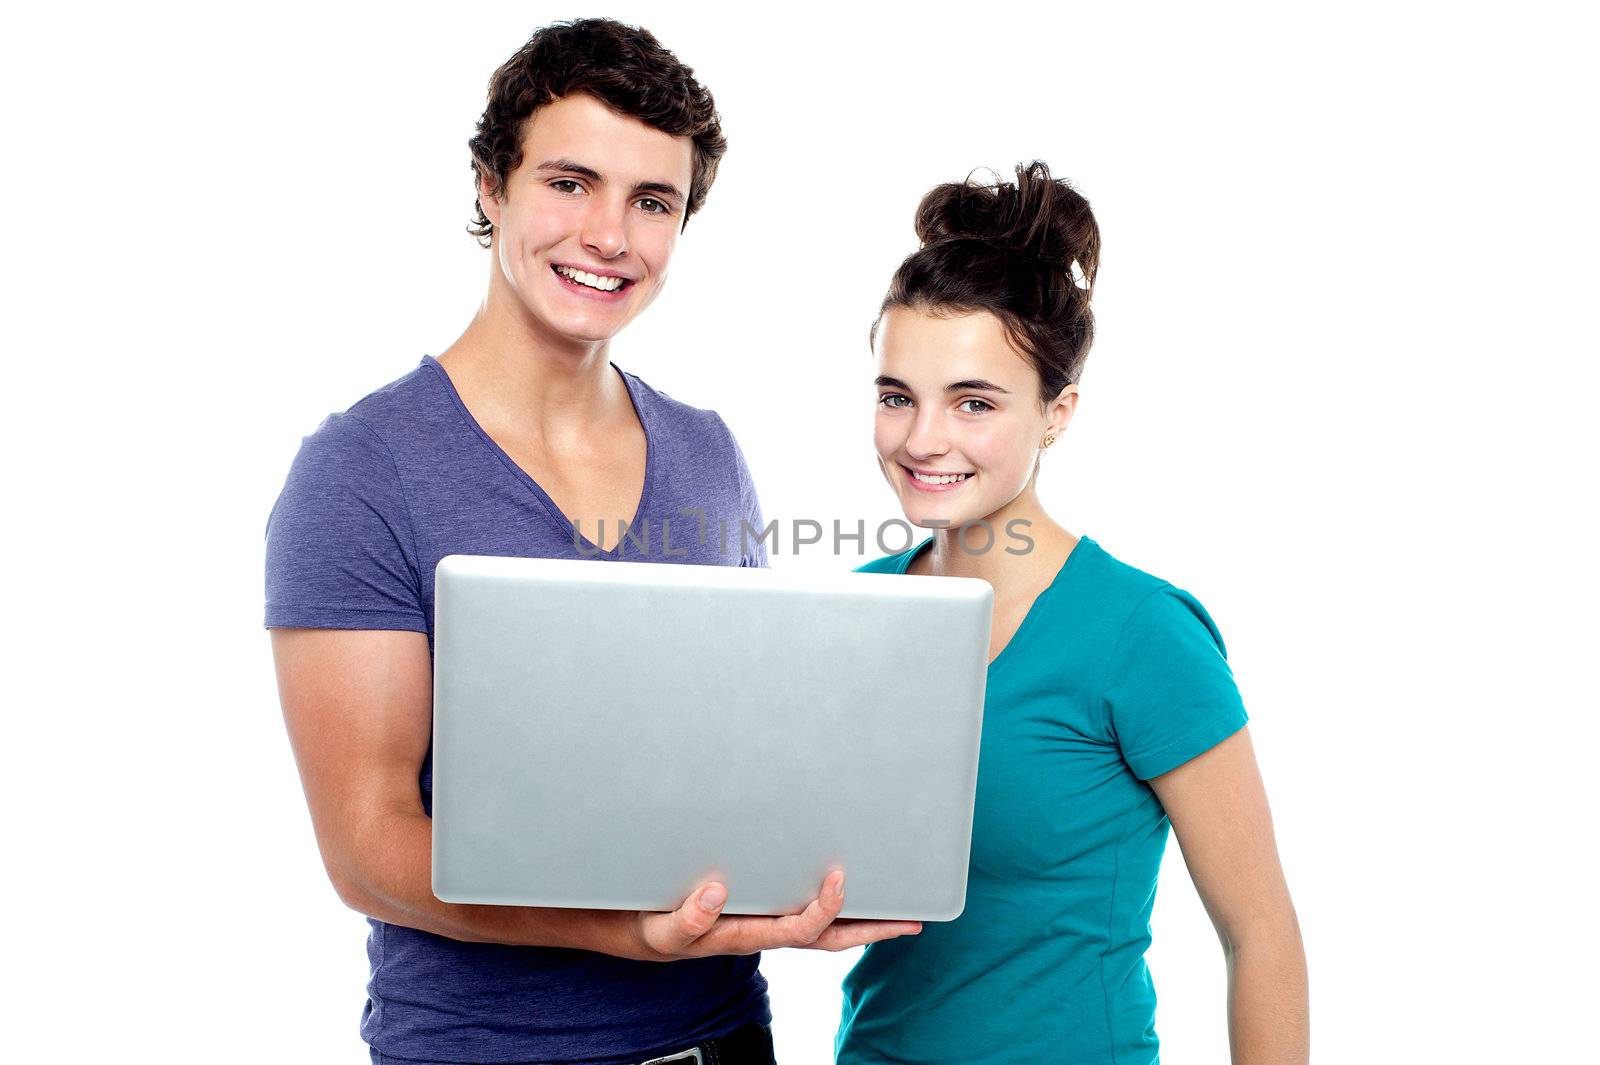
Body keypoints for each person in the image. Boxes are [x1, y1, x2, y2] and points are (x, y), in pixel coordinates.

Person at [265, 19, 917, 1065]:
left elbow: (733, 759)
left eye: (651, 202)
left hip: (722, 1042)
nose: (610, 235)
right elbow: (367, 847)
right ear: (491, 186)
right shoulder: (360, 473)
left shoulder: (708, 453)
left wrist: (796, 878)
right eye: (570, 183)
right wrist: (627, 936)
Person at [834, 163, 1309, 1063]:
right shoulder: (858, 609)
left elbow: (1262, 934)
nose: (922, 439)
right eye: (897, 396)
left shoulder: (1143, 634)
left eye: (974, 402)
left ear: (1057, 413)